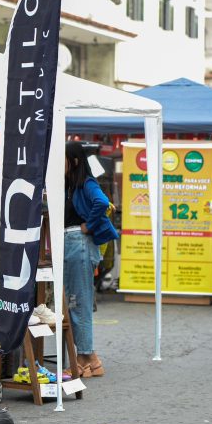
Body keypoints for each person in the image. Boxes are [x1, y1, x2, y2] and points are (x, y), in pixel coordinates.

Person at [64, 141, 119, 378]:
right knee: (77, 302)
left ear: (74, 161)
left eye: (64, 160)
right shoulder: (71, 183)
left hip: (79, 244)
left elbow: (102, 202)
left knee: (78, 302)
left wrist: (89, 225)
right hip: (76, 245)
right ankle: (90, 359)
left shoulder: (85, 183)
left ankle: (83, 357)